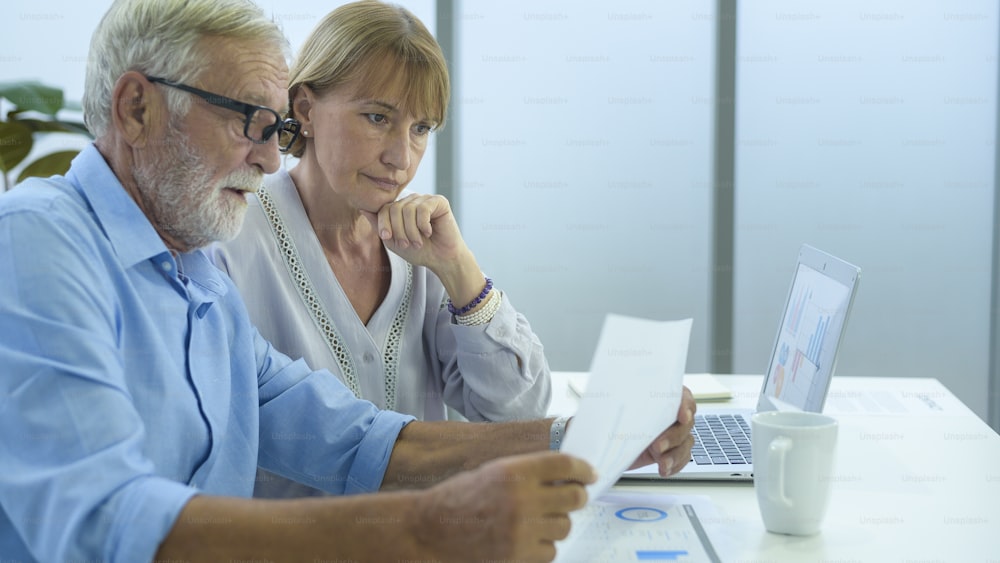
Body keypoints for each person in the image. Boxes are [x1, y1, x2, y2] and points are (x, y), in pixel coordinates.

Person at [0, 0, 696, 561]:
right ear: (137, 108)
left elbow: (349, 436)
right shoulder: (38, 241)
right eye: (249, 122)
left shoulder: (194, 273)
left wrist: (579, 438)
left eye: (273, 130)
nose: (271, 160)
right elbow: (104, 521)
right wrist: (425, 528)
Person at [210, 0, 551, 499]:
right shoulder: (231, 241)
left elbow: (520, 416)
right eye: (377, 117)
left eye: (421, 129)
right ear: (303, 109)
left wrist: (458, 269)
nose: (401, 157)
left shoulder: (423, 251)